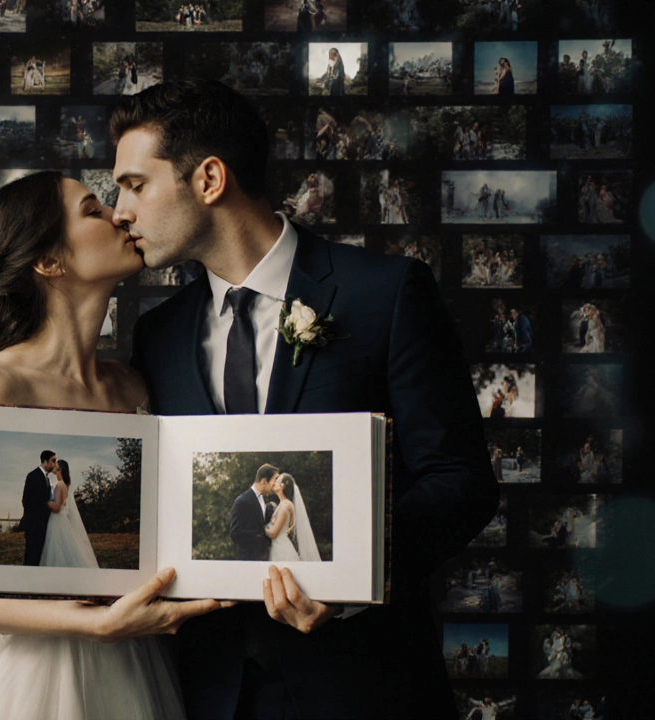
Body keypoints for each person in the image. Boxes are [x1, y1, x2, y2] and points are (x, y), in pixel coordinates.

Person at [111, 80, 497, 718]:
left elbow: (461, 481)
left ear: (209, 179)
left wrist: (350, 585)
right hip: (210, 690)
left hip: (364, 685)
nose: (120, 211)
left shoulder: (385, 293)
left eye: (135, 185)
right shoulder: (158, 334)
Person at [0, 171, 225, 719]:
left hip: (139, 666)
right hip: (28, 681)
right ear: (49, 261)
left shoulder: (131, 385)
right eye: (92, 209)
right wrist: (94, 623)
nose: (119, 215)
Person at [39, 458, 100, 568]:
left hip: (57, 521)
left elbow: (57, 508)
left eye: (56, 468)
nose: (54, 469)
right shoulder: (65, 486)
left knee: (57, 549)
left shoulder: (59, 486)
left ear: (60, 470)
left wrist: (46, 502)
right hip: (63, 520)